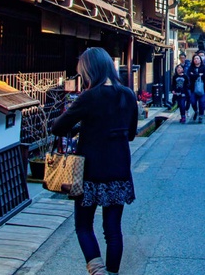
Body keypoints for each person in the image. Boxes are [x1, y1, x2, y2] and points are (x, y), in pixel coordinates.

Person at [50, 47, 138, 275]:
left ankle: (97, 270)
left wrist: (83, 126)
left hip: (89, 171)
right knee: (113, 229)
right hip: (119, 169)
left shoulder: (89, 97)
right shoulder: (127, 94)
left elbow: (58, 127)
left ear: (90, 70)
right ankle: (112, 272)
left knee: (83, 226)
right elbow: (130, 133)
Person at [186, 54, 205, 123]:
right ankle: (196, 111)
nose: (196, 60)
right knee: (193, 101)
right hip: (193, 88)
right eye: (195, 59)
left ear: (200, 60)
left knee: (202, 102)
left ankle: (201, 116)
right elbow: (190, 76)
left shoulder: (204, 67)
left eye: (197, 58)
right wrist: (199, 75)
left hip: (202, 88)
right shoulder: (191, 68)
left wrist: (194, 75)